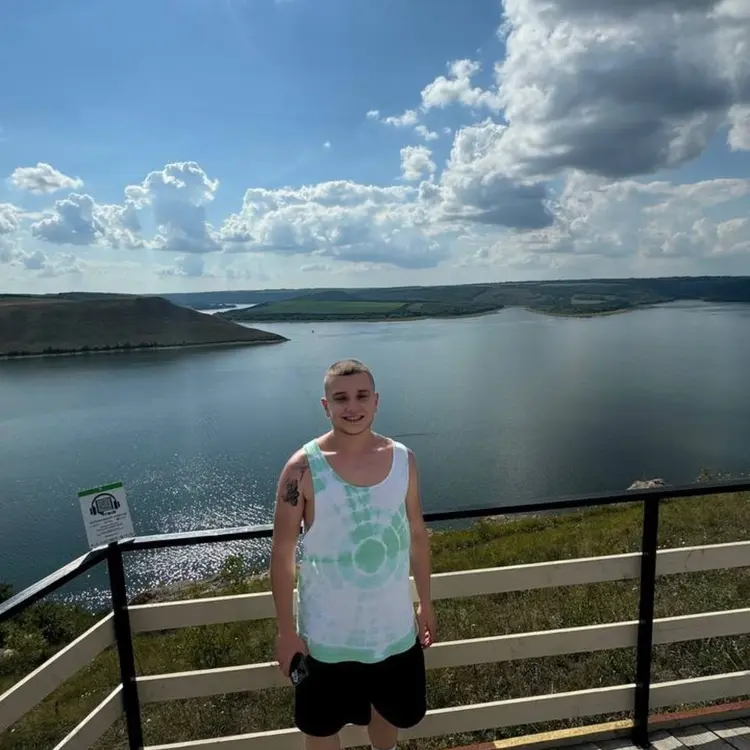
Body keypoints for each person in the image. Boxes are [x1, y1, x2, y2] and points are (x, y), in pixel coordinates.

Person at [270, 358, 436, 750]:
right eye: (341, 398)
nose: (352, 406)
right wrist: (286, 632)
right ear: (325, 405)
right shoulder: (301, 469)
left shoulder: (404, 460)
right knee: (321, 727)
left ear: (376, 401)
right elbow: (282, 554)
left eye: (362, 396)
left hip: (394, 630)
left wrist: (425, 602)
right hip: (325, 637)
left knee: (388, 713)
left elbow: (417, 535)